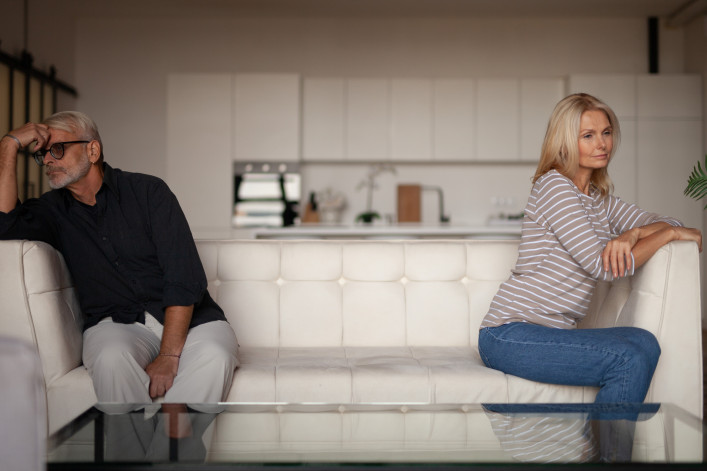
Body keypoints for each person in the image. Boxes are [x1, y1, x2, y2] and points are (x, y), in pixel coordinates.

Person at [0, 111, 239, 405]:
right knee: (111, 360)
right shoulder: (52, 211)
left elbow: (183, 278)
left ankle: (167, 449)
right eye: (42, 155)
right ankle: (140, 451)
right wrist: (9, 144)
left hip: (193, 323)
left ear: (92, 149)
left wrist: (168, 355)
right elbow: (4, 225)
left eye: (57, 149)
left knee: (215, 357)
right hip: (116, 324)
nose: (47, 160)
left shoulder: (149, 192)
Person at [478, 93, 702, 404]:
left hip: (551, 334)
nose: (602, 144)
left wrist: (634, 232)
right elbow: (603, 265)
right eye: (588, 135)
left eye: (606, 133)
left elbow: (665, 220)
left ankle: (597, 443)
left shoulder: (598, 200)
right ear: (565, 141)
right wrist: (666, 235)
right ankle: (606, 452)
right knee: (628, 357)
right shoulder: (554, 186)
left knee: (646, 343)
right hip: (509, 334)